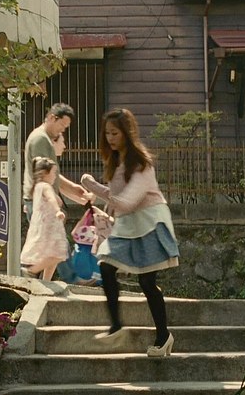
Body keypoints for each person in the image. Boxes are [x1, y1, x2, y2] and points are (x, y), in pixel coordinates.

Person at [80, 108, 180, 357]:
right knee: (106, 266)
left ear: (127, 132)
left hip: (149, 221)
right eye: (107, 133)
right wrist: (95, 188)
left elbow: (126, 202)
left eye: (115, 133)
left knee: (147, 281)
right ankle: (116, 326)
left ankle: (163, 337)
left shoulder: (142, 163)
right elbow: (118, 200)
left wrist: (95, 188)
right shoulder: (115, 162)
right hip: (127, 224)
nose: (110, 138)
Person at [22, 104, 95, 283]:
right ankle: (63, 276)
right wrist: (53, 196)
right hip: (42, 201)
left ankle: (42, 278)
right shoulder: (40, 139)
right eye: (62, 125)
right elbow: (43, 173)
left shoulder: (44, 139)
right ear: (52, 118)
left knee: (51, 243)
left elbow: (53, 175)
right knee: (56, 243)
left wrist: (73, 189)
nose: (62, 130)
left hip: (41, 200)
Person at [20, 157, 69, 281]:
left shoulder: (37, 187)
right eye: (53, 172)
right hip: (49, 227)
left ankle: (46, 280)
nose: (55, 176)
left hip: (44, 225)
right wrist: (57, 211)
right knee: (57, 254)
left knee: (53, 254)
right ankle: (31, 270)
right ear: (45, 173)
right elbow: (51, 199)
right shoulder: (45, 186)